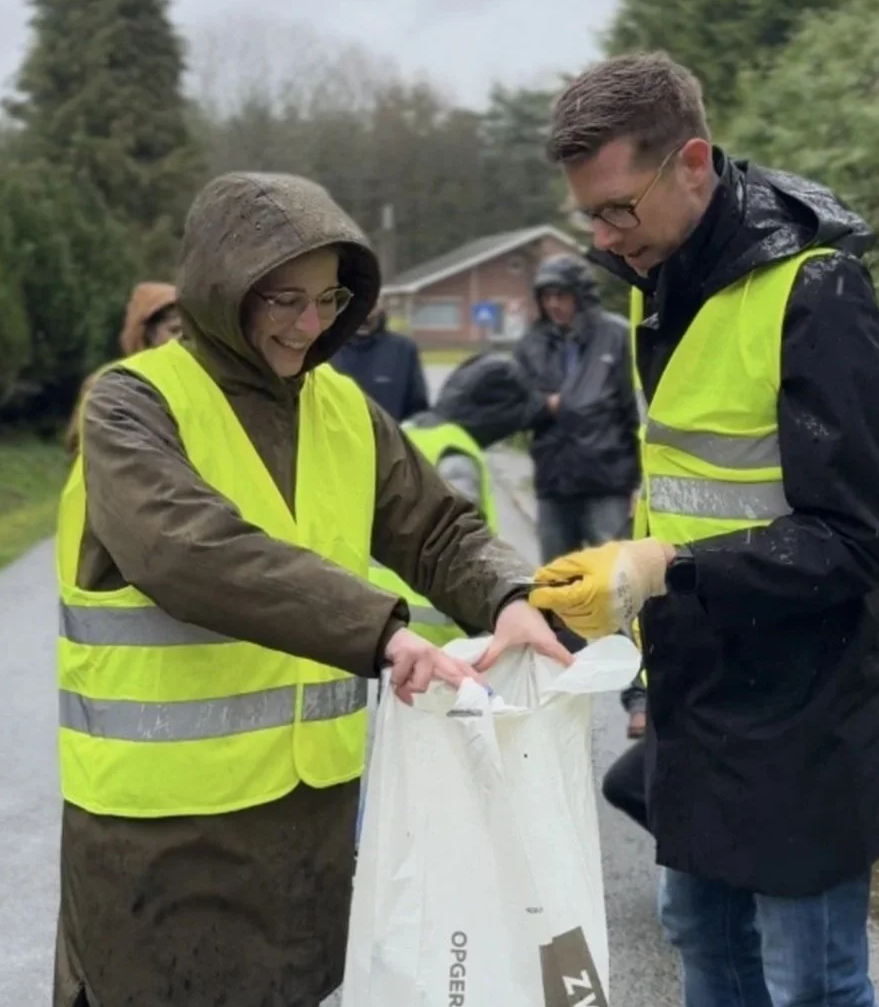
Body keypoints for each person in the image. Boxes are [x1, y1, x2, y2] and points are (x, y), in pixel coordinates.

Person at [53, 171, 572, 1007]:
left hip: (311, 821)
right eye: (282, 299)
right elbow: (189, 549)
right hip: (161, 832)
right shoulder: (131, 403)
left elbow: (437, 530)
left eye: (328, 298)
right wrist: (383, 630)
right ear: (224, 289)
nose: (309, 324)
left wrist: (510, 594)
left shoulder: (344, 409)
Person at [530, 51, 879, 1007]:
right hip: (698, 688)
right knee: (700, 935)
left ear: (692, 162)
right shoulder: (657, 276)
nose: (607, 238)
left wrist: (664, 568)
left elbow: (853, 541)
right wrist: (630, 574)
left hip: (804, 706)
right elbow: (690, 481)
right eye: (590, 216)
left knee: (810, 980)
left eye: (620, 208)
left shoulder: (816, 293)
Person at [369, 351, 537, 645]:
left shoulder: (411, 429)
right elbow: (462, 548)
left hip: (381, 616)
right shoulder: (456, 453)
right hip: (436, 624)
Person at [514, 254, 640, 564]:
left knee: (614, 581)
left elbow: (635, 411)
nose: (553, 304)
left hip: (608, 483)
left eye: (561, 295)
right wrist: (548, 406)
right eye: (546, 296)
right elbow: (515, 407)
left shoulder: (616, 336)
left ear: (580, 295)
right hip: (554, 486)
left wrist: (640, 484)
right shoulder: (531, 344)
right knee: (558, 584)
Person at [63, 281, 182, 455]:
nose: (181, 340)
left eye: (187, 333)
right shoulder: (111, 381)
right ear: (147, 332)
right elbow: (77, 443)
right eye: (174, 330)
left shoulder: (198, 380)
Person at [330, 299, 429, 422]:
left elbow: (417, 407)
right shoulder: (326, 349)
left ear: (381, 308)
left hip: (389, 438)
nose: (365, 315)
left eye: (371, 306)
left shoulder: (403, 349)